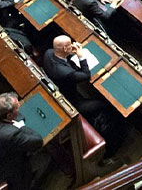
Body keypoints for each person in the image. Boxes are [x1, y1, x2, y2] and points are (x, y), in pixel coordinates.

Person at [41, 35, 124, 164]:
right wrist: (80, 56)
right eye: (69, 44)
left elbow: (63, 59)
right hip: (72, 103)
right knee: (104, 105)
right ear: (64, 48)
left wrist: (69, 52)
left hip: (63, 92)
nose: (73, 45)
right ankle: (110, 145)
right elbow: (85, 75)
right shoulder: (65, 72)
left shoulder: (49, 53)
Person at [0, 92, 50, 190]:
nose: (19, 108)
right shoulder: (10, 134)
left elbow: (18, 116)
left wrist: (17, 120)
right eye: (17, 107)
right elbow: (38, 141)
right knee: (45, 158)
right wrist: (21, 126)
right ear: (9, 116)